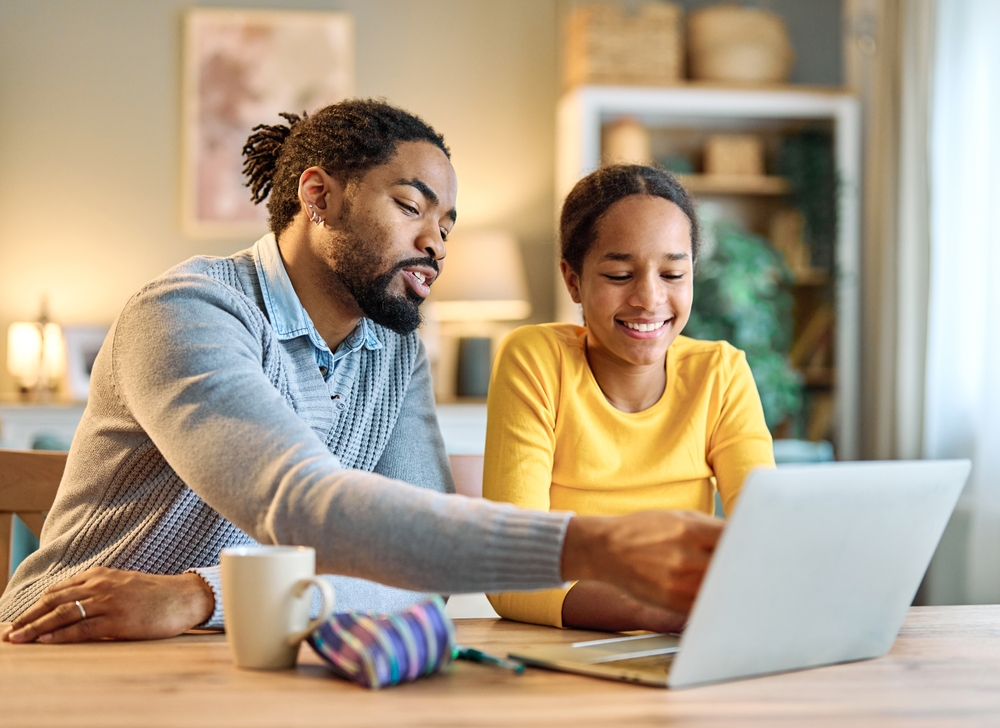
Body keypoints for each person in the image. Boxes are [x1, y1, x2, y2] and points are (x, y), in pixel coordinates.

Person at [1, 102, 723, 645]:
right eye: (411, 206)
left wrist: (203, 596)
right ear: (319, 197)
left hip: (229, 653)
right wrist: (593, 545)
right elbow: (299, 500)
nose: (434, 244)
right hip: (63, 644)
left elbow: (418, 581)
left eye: (446, 224)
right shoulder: (190, 313)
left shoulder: (392, 348)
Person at [483, 164, 775, 633]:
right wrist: (656, 612)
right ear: (574, 280)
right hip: (570, 649)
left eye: (673, 273)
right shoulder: (535, 361)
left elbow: (767, 536)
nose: (650, 298)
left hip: (684, 643)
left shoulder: (720, 373)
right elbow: (512, 572)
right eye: (620, 274)